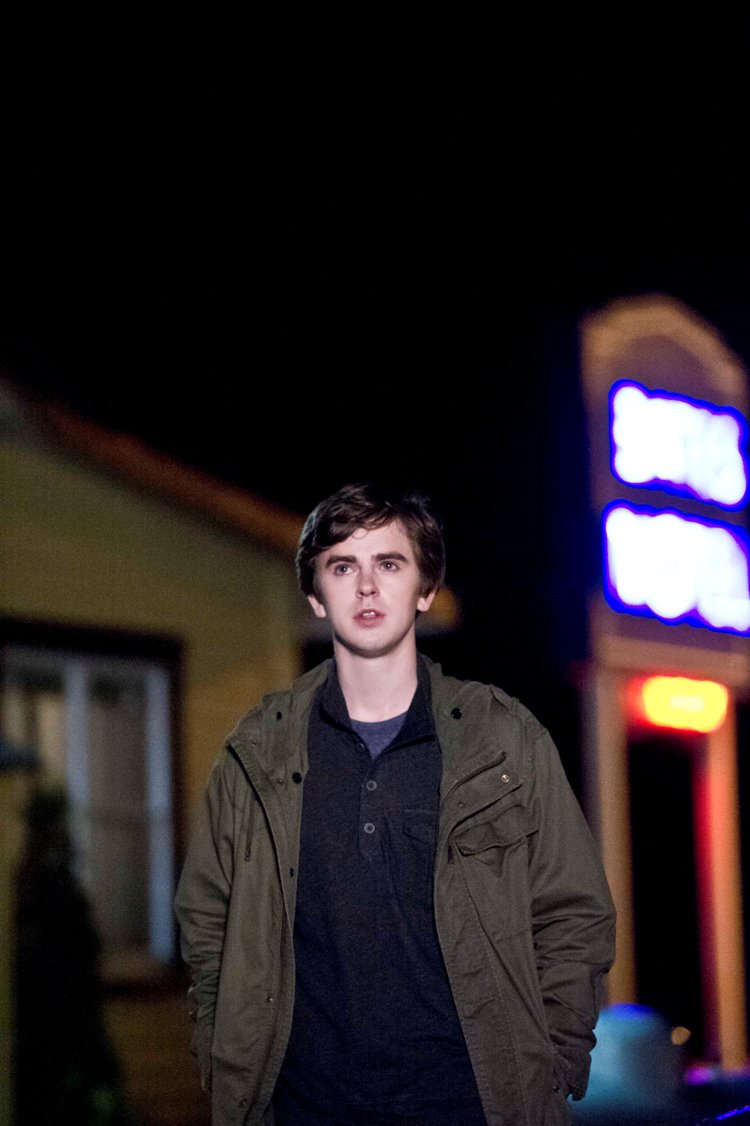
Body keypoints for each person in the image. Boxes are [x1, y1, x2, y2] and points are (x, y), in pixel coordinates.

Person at [174, 482, 616, 1126]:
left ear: (425, 589)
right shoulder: (258, 749)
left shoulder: (503, 740)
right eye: (341, 567)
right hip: (305, 1109)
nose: (366, 587)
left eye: (389, 563)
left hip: (472, 1109)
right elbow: (206, 920)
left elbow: (574, 912)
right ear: (315, 596)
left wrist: (552, 1064)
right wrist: (225, 1059)